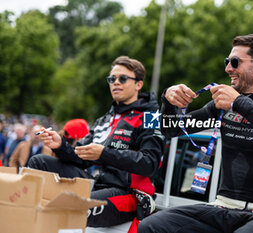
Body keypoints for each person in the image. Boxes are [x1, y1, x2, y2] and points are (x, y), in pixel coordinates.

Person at [138, 33, 253, 233]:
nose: (228, 69)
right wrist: (168, 100)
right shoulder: (221, 107)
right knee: (151, 225)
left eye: (235, 62)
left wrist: (240, 103)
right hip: (222, 206)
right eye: (228, 62)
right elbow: (171, 129)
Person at [28, 56, 164, 229]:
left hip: (129, 194)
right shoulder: (104, 120)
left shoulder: (151, 117)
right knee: (38, 161)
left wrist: (104, 153)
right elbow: (81, 158)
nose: (115, 82)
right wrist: (60, 145)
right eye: (111, 79)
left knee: (77, 207)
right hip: (97, 184)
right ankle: (25, 215)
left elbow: (149, 163)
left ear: (138, 84)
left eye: (122, 78)